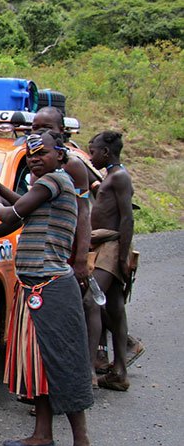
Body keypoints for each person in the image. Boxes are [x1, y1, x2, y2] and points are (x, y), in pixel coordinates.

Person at [0, 131, 96, 446]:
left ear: (61, 156)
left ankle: (83, 445)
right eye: (30, 154)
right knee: (38, 364)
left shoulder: (55, 182)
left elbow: (13, 214)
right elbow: (22, 205)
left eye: (41, 152)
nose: (33, 158)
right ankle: (42, 435)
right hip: (33, 286)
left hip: (52, 288)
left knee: (62, 363)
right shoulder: (45, 189)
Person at [87, 131, 135, 391]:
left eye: (92, 151)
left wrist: (123, 257)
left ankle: (89, 372)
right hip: (106, 245)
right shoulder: (110, 176)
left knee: (90, 300)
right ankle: (120, 373)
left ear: (106, 152)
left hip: (112, 247)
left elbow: (127, 218)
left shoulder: (119, 177)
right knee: (114, 306)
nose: (91, 156)